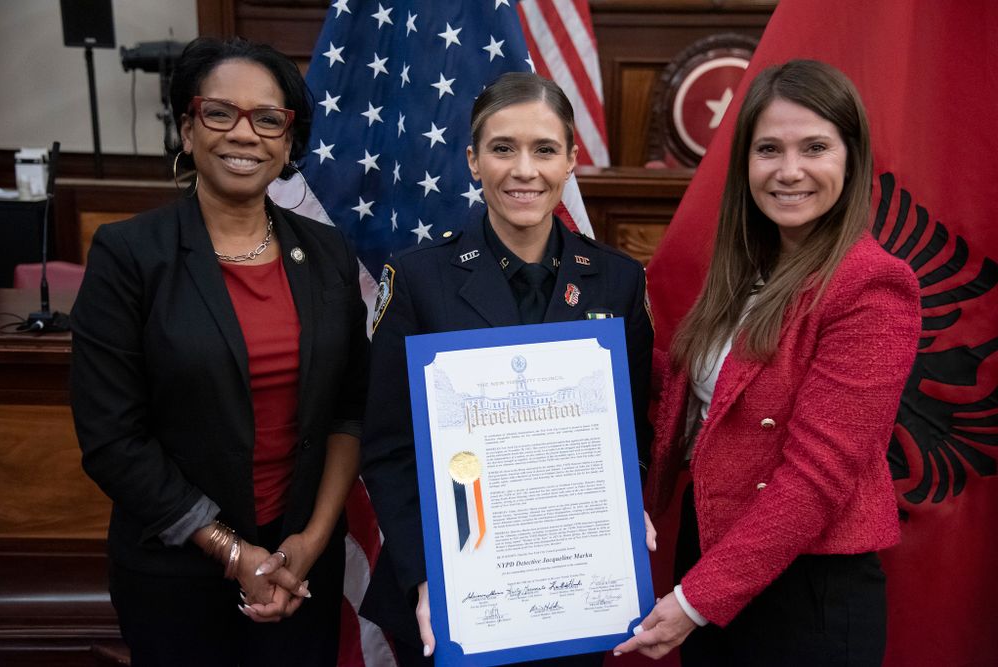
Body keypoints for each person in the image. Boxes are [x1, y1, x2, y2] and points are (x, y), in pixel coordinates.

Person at [70, 37, 368, 666]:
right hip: (176, 574)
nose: (244, 134)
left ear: (288, 143)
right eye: (218, 112)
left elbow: (350, 410)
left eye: (267, 119)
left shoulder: (328, 254)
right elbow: (111, 439)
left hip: (300, 569)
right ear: (187, 127)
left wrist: (310, 544)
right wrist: (233, 552)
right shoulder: (129, 255)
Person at [613, 60, 921, 665]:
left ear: (852, 159)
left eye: (814, 148)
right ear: (744, 164)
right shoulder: (747, 270)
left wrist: (696, 601)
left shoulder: (874, 287)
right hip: (711, 565)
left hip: (805, 596)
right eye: (768, 149)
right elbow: (700, 390)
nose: (789, 171)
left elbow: (817, 477)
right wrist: (570, 356)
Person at [359, 72, 656, 665]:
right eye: (503, 149)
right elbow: (389, 446)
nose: (525, 170)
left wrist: (623, 501)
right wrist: (429, 578)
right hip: (453, 589)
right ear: (473, 161)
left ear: (571, 160)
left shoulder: (618, 280)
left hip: (574, 583)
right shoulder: (418, 278)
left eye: (545, 149)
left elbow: (635, 426)